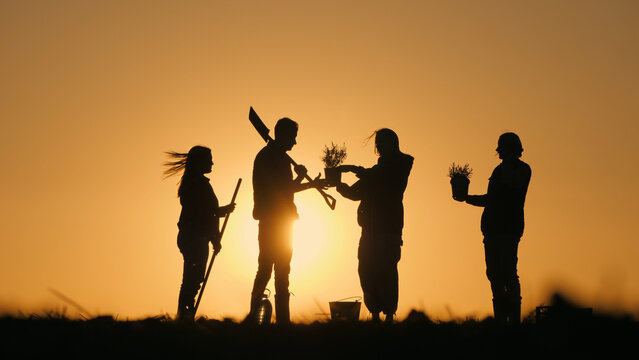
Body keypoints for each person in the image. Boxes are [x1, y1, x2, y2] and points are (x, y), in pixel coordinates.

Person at [247, 117, 325, 325]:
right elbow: (281, 189)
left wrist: (310, 183)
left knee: (277, 269)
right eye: (293, 137)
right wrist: (301, 178)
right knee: (272, 269)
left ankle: (278, 320)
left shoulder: (274, 156)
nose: (295, 142)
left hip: (280, 221)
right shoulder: (271, 158)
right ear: (283, 135)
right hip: (275, 221)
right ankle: (269, 320)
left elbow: (285, 188)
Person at [335, 128, 414, 323]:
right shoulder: (375, 172)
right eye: (377, 143)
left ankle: (387, 314)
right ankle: (376, 314)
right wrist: (338, 185)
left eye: (382, 142)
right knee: (367, 270)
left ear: (393, 143)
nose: (378, 146)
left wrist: (355, 169)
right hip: (368, 232)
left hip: (388, 231)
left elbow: (385, 181)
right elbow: (355, 193)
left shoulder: (401, 164)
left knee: (386, 270)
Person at [455, 132, 531, 324]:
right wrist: (468, 198)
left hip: (508, 228)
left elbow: (510, 187)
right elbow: (492, 200)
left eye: (503, 148)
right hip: (492, 229)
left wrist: (469, 199)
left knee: (508, 272)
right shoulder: (499, 170)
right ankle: (501, 320)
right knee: (494, 274)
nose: (500, 151)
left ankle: (513, 320)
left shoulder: (522, 170)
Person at [164, 146, 235, 321]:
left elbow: (207, 213)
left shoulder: (192, 184)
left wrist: (216, 231)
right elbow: (206, 214)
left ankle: (184, 314)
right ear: (199, 162)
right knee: (193, 278)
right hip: (195, 237)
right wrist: (221, 215)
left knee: (191, 277)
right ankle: (185, 315)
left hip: (190, 236)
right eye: (209, 159)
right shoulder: (198, 185)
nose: (212, 162)